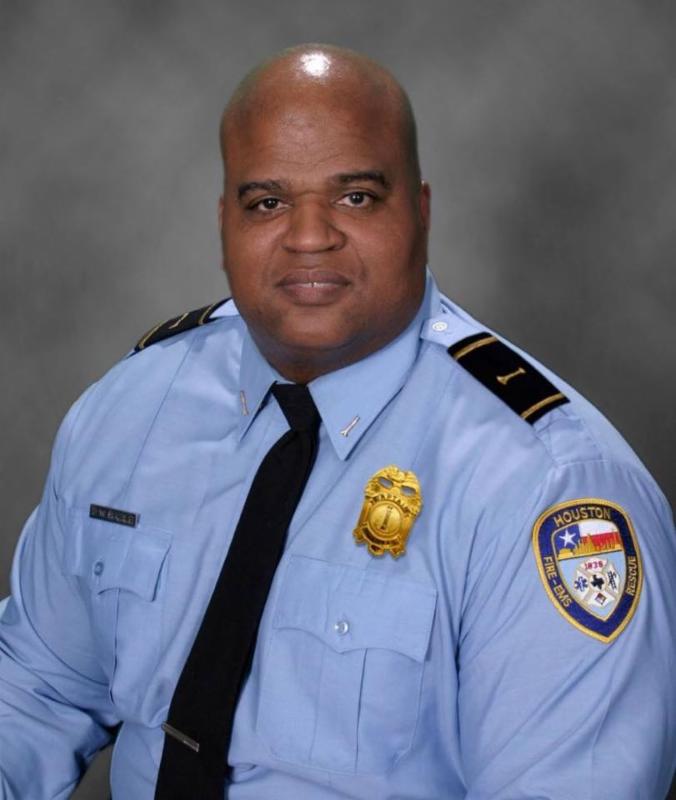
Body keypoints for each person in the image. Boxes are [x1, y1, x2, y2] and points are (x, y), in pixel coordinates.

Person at [1, 43, 674, 800]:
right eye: (267, 203)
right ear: (224, 223)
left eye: (355, 197)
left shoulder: (548, 488)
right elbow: (34, 688)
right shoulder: (135, 406)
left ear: (420, 212)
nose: (309, 236)